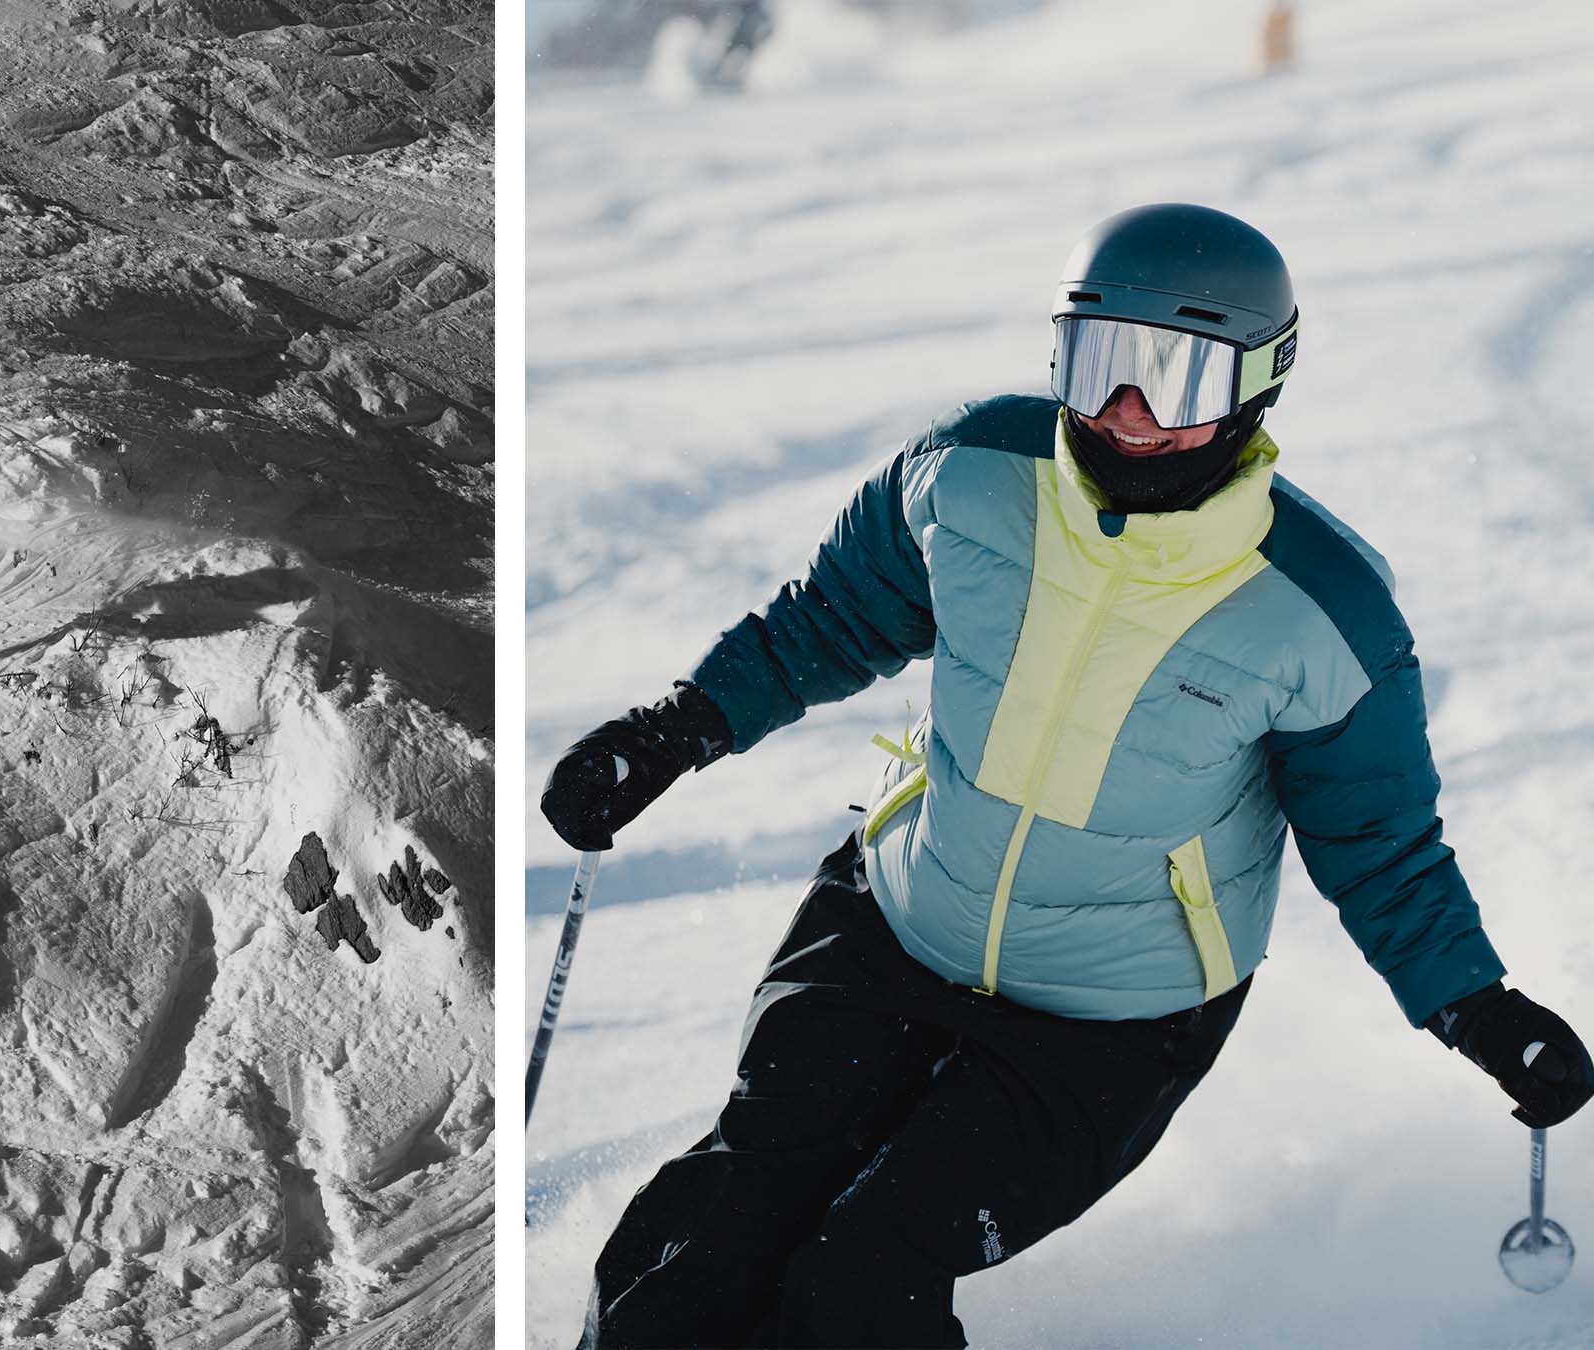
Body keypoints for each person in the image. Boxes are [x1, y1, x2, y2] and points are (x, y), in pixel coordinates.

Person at [540, 202, 1593, 1348]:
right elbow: (832, 618)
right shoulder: (972, 472)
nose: (1126, 414)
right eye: (1099, 364)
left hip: (1108, 1020)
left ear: (1259, 382)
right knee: (696, 1243)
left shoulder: (1321, 613)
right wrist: (677, 727)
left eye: (1172, 379)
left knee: (860, 1281)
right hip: (896, 923)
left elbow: (1379, 844)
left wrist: (1476, 1009)